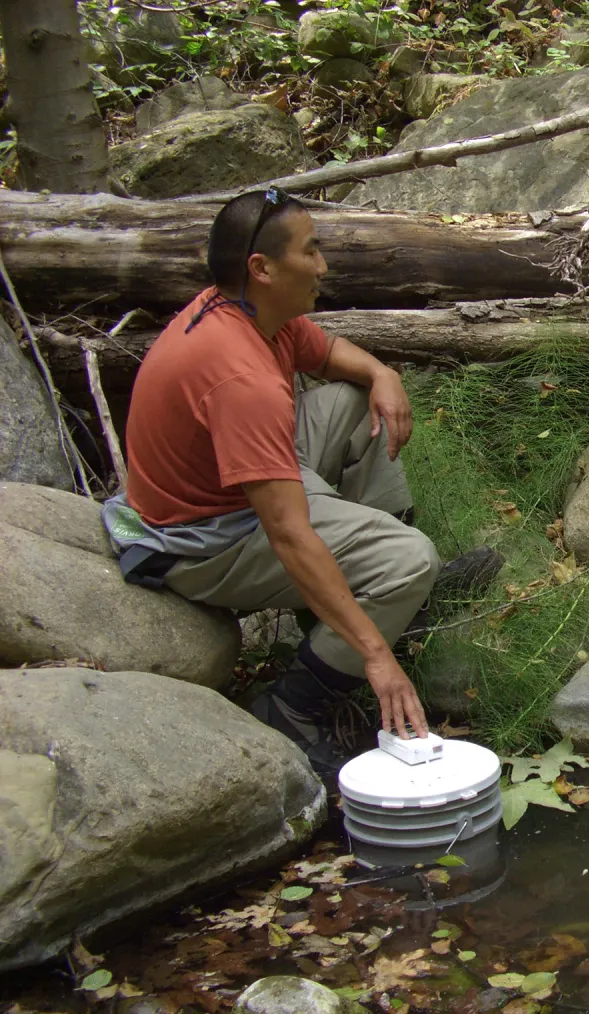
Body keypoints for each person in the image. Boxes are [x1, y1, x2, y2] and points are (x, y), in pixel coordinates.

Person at [102, 187, 494, 776]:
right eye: (310, 252)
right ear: (261, 268)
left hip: (238, 485)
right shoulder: (241, 379)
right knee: (409, 558)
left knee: (353, 400)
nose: (323, 266)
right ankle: (294, 704)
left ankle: (394, 602)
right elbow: (287, 533)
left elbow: (331, 353)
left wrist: (383, 372)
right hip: (204, 538)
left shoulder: (252, 313)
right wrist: (376, 657)